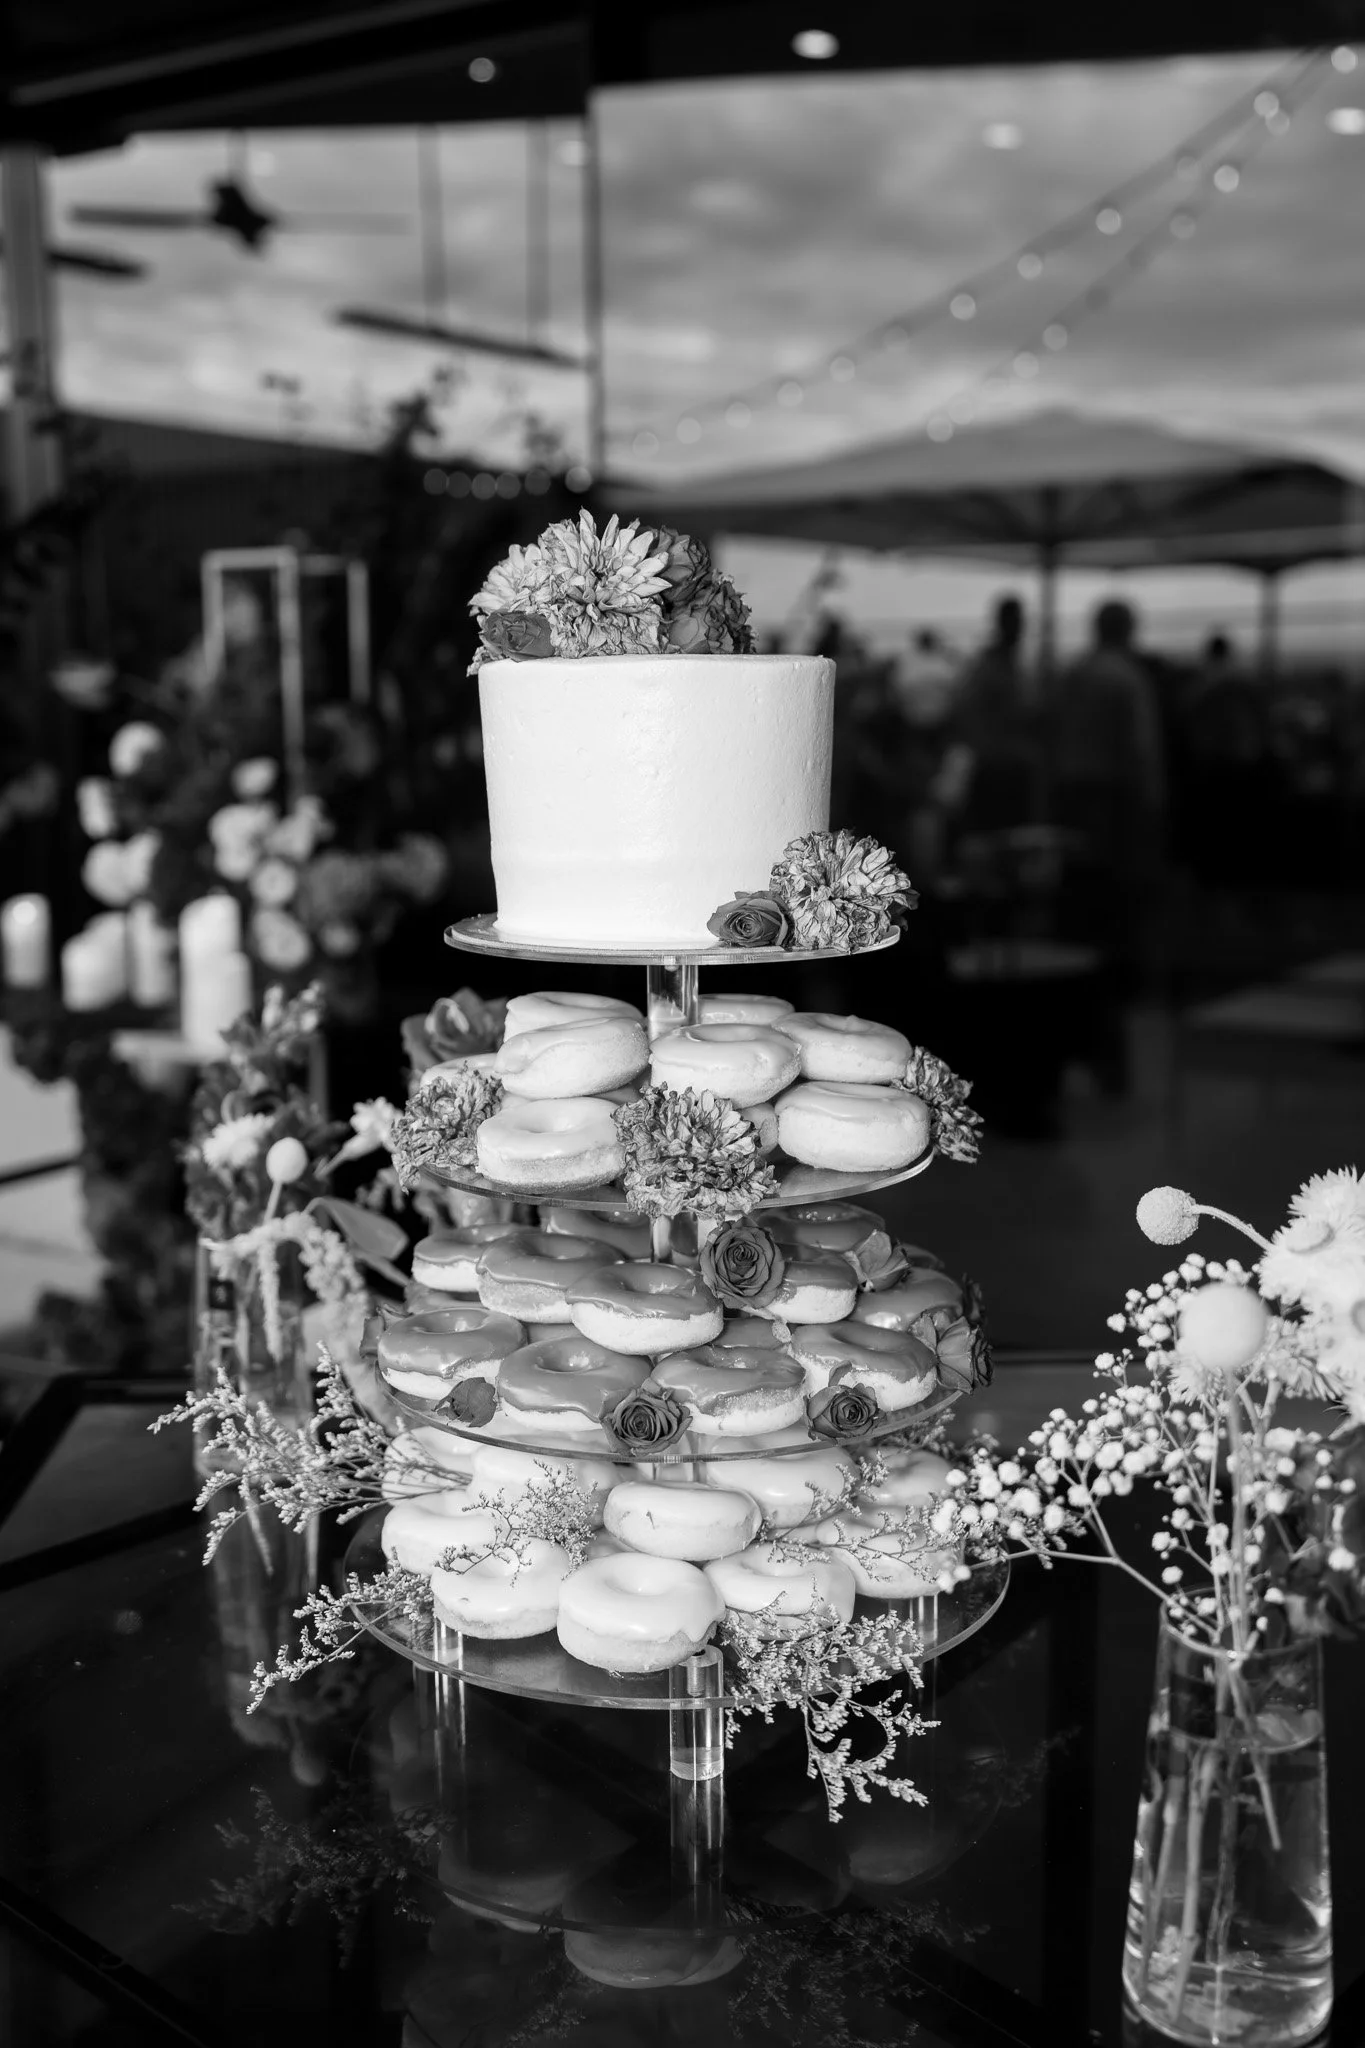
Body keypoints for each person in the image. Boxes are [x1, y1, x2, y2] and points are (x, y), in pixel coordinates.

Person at [935, 594, 1040, 830]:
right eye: (1016, 621)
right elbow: (964, 710)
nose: (1020, 627)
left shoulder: (1006, 663)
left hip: (1005, 763)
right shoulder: (992, 665)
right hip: (996, 765)